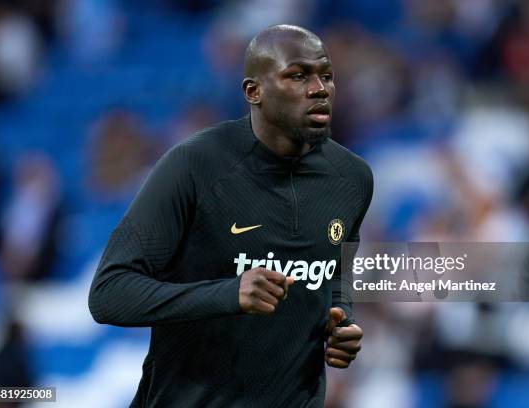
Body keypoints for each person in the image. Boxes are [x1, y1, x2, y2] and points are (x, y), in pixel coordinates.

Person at [88, 24, 373, 407]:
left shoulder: (353, 178)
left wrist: (342, 324)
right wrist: (228, 292)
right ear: (253, 91)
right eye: (298, 76)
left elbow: (336, 275)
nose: (320, 89)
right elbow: (109, 294)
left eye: (326, 76)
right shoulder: (194, 167)